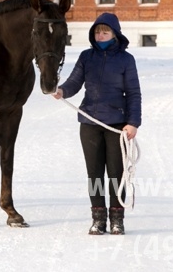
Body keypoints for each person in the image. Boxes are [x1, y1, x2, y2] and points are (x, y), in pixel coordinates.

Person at [53, 12, 142, 235]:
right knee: (94, 175)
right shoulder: (86, 57)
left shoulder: (125, 59)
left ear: (114, 34)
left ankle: (117, 219)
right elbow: (74, 82)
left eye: (105, 31)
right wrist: (62, 90)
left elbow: (133, 93)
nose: (100, 35)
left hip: (117, 125)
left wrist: (133, 123)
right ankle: (98, 219)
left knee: (116, 174)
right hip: (89, 123)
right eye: (97, 31)